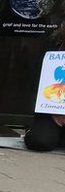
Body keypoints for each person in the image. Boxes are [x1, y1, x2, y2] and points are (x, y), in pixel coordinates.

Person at [25, 21, 65, 151]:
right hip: (51, 112)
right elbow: (37, 79)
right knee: (39, 141)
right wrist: (54, 110)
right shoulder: (53, 45)